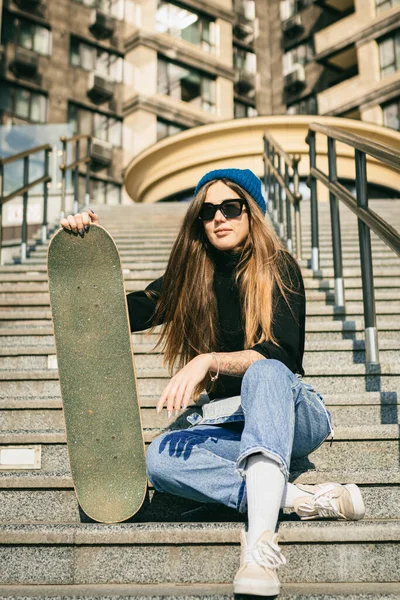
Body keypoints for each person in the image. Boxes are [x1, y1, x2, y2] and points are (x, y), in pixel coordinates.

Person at [60, 168, 365, 596]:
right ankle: (297, 498)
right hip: (230, 423)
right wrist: (84, 251)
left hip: (293, 412)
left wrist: (208, 361)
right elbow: (122, 313)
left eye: (231, 207)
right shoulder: (191, 278)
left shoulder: (279, 267)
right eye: (207, 211)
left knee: (264, 371)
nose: (219, 217)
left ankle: (259, 547)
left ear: (252, 212)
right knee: (160, 460)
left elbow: (281, 355)